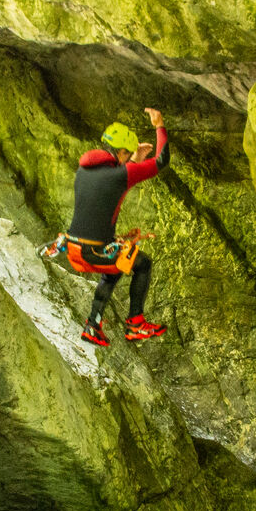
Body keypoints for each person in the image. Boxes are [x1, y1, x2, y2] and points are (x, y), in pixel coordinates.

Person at [66, 107, 170, 347]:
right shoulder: (121, 174)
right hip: (93, 252)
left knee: (115, 266)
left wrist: (134, 159)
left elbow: (115, 182)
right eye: (127, 153)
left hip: (74, 249)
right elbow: (161, 160)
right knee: (143, 264)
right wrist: (159, 125)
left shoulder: (84, 171)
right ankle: (136, 324)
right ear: (122, 152)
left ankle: (93, 326)